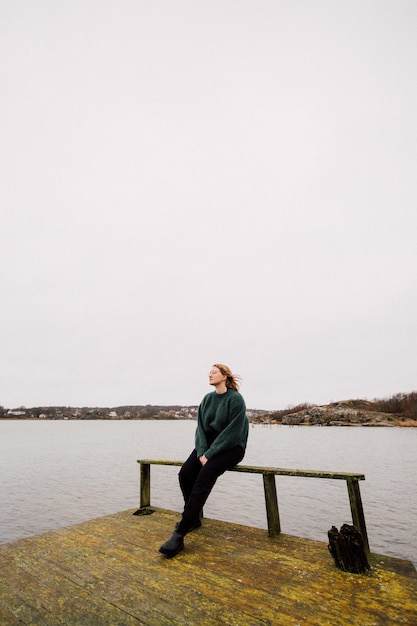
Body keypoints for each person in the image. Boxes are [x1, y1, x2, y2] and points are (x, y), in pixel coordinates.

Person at [159, 363, 249, 557]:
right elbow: (200, 428)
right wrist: (202, 451)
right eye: (209, 372)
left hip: (232, 448)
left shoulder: (235, 399)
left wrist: (210, 454)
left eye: (214, 372)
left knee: (204, 477)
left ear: (224, 376)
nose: (210, 375)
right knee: (185, 474)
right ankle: (194, 518)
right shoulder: (207, 399)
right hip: (207, 447)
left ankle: (180, 532)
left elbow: (233, 433)